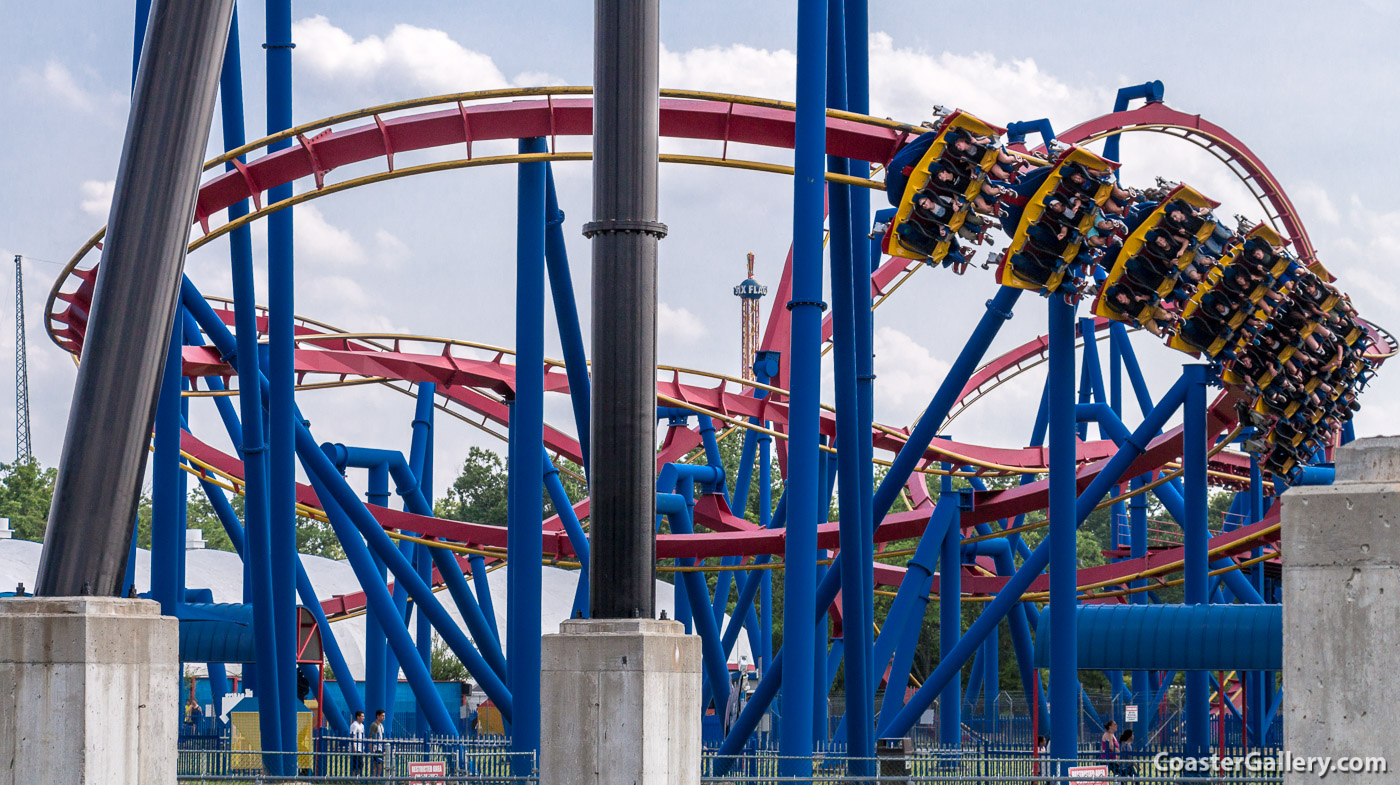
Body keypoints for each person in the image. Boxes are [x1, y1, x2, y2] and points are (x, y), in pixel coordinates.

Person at [369, 709, 387, 776]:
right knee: (378, 765)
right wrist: (372, 748)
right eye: (382, 716)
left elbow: (381, 737)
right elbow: (370, 736)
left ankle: (375, 778)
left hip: (380, 748)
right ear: (378, 716)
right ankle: (375, 778)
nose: (383, 717)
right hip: (376, 748)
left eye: (384, 716)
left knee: (377, 765)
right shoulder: (374, 725)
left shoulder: (381, 726)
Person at [349, 710, 366, 776]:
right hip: (356, 748)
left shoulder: (362, 725)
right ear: (358, 717)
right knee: (356, 764)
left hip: (360, 747)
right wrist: (354, 747)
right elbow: (352, 736)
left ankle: (357, 776)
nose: (363, 717)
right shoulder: (354, 725)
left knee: (360, 764)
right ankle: (354, 777)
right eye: (362, 716)